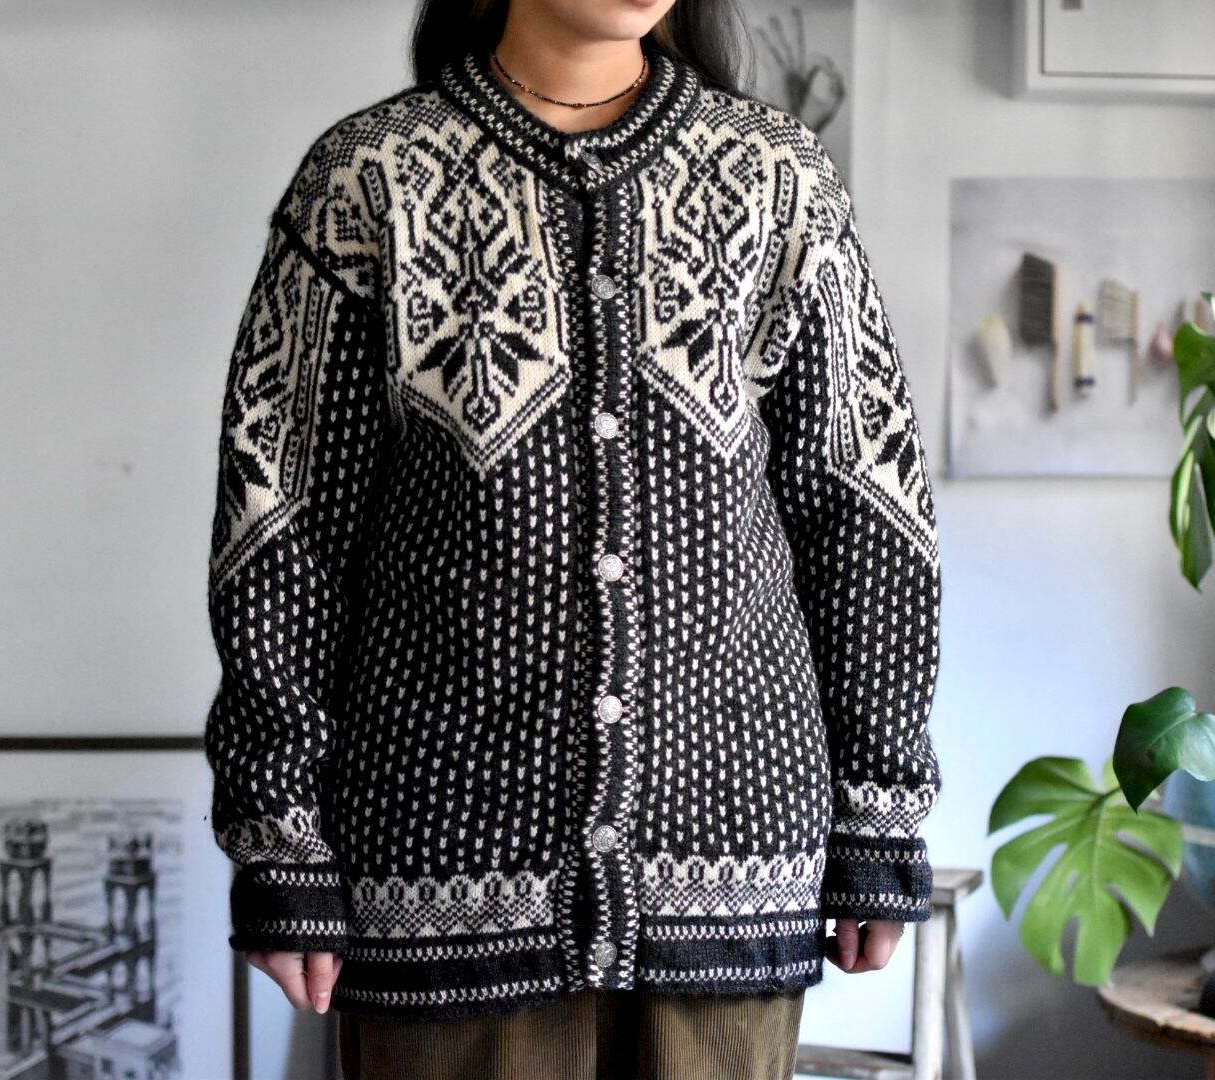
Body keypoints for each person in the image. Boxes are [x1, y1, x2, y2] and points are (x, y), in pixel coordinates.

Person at [200, 0, 944, 1076]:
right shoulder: (369, 177)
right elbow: (282, 521)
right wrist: (279, 836)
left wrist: (879, 809)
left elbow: (865, 497)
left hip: (731, 844)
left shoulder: (779, 177)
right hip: (438, 855)